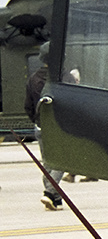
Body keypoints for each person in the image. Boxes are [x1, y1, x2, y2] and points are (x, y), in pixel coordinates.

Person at [24, 45, 64, 210]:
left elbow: (28, 106)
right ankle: (49, 193)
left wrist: (38, 121)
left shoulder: (33, 78)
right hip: (60, 127)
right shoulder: (64, 77)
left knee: (47, 162)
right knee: (62, 161)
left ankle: (56, 198)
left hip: (41, 127)